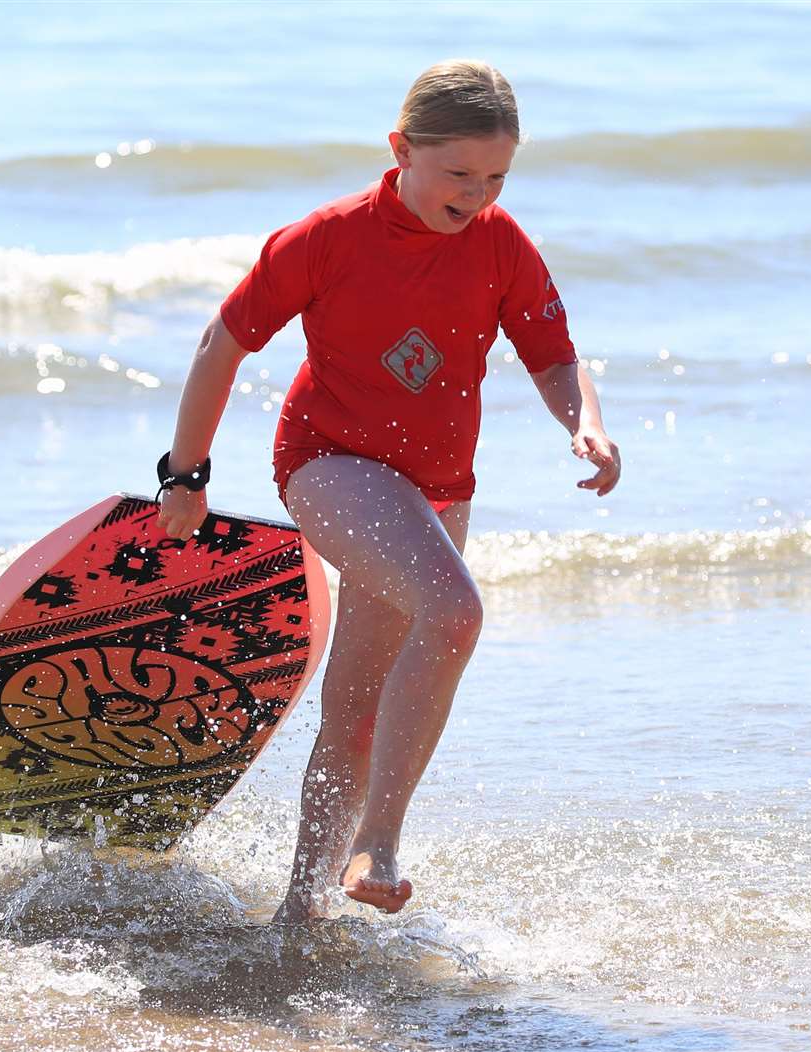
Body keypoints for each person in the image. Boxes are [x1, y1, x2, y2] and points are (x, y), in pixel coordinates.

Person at [155, 60, 620, 922]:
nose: (478, 194)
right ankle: (380, 840)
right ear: (402, 148)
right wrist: (185, 476)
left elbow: (553, 355)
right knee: (455, 612)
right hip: (329, 463)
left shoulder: (502, 243)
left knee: (357, 706)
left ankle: (301, 914)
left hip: (438, 488)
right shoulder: (327, 238)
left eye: (496, 177)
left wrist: (583, 420)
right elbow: (223, 341)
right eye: (459, 173)